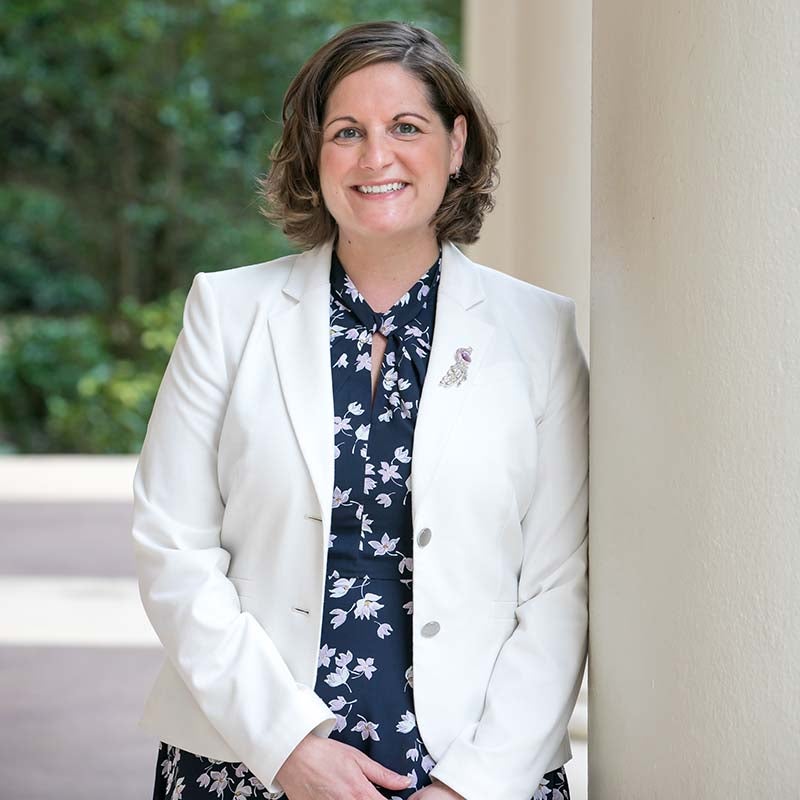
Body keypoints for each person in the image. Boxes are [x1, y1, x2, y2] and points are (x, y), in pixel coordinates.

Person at [132, 19, 588, 800]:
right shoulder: (226, 312)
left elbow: (557, 584)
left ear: (456, 143)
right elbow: (172, 547)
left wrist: (471, 786)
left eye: (406, 127)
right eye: (348, 131)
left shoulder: (539, 332)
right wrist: (287, 748)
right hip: (250, 758)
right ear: (315, 154)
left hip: (475, 770)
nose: (377, 157)